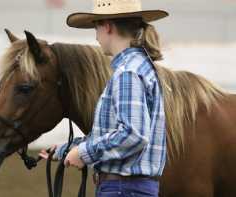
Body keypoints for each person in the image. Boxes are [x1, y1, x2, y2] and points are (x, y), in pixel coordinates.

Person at [39, 0, 168, 196]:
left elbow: (133, 135)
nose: (96, 36)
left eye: (96, 27)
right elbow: (114, 132)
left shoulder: (127, 73)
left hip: (122, 190)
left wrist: (83, 153)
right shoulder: (139, 66)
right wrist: (67, 149)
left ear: (107, 26)